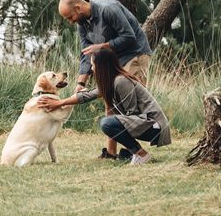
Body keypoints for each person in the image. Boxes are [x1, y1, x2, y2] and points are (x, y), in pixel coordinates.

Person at [58, 0, 153, 159]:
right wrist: (81, 82)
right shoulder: (82, 23)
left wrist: (101, 46)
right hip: (113, 59)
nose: (70, 21)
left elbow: (129, 37)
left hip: (134, 54)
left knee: (128, 104)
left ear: (78, 8)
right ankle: (111, 153)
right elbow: (87, 53)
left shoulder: (109, 9)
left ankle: (135, 151)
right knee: (110, 100)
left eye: (70, 17)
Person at [37, 48, 170, 165]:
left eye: (93, 64)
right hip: (145, 123)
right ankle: (136, 153)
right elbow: (86, 96)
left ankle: (141, 155)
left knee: (108, 123)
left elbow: (132, 113)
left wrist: (119, 127)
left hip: (154, 126)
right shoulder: (111, 80)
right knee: (110, 122)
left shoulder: (121, 81)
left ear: (101, 66)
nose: (92, 68)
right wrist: (59, 103)